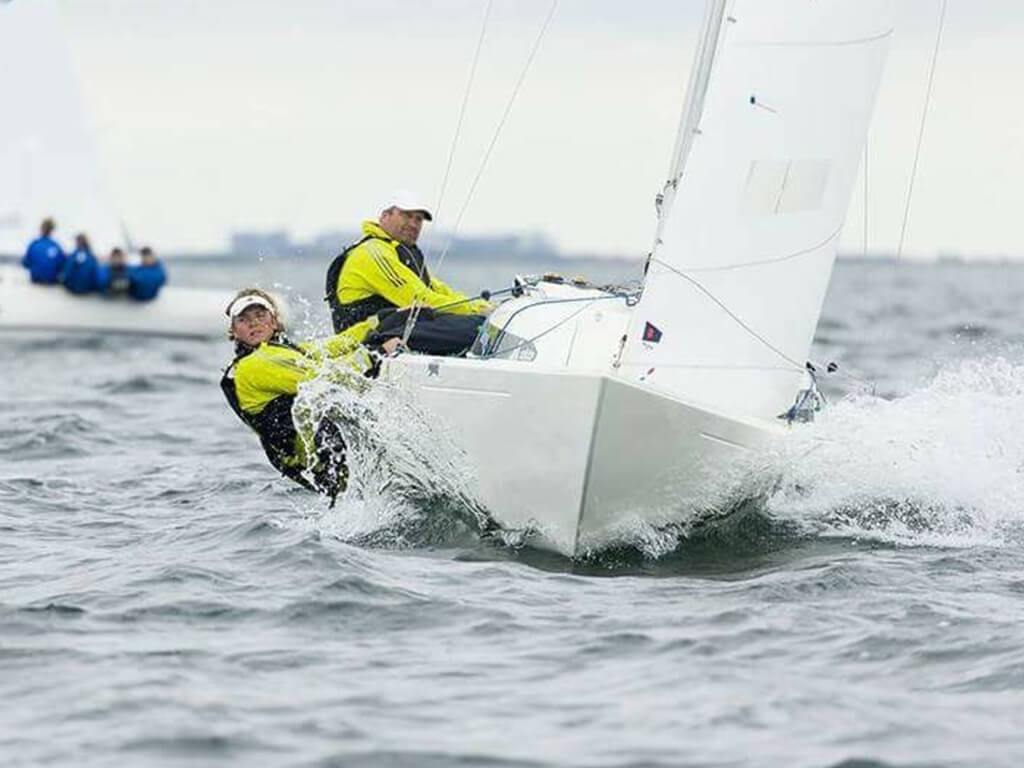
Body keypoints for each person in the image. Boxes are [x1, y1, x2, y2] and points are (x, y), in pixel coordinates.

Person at [221, 288, 400, 503]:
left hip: (320, 451)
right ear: (234, 331)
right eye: (244, 319)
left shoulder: (281, 350)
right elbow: (326, 379)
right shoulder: (254, 365)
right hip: (317, 459)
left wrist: (379, 322)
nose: (254, 323)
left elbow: (334, 345)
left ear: (275, 321)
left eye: (260, 315)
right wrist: (378, 353)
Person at [325, 190, 490, 355]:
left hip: (393, 330)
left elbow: (440, 291)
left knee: (478, 323)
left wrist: (485, 307)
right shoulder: (372, 253)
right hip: (364, 341)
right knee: (476, 327)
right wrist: (478, 312)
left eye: (418, 219)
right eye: (406, 216)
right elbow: (422, 299)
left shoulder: (400, 254)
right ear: (385, 216)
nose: (413, 224)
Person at [21, 218, 65, 284]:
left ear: (41, 229)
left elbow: (25, 263)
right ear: (52, 230)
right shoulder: (56, 246)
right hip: (51, 281)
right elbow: (62, 264)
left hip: (35, 280)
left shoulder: (34, 244)